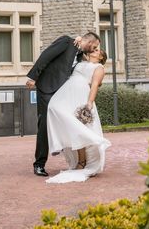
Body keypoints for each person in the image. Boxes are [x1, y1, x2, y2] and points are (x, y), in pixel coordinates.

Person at [26, 32, 100, 177]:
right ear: (90, 41)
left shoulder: (80, 56)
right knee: (44, 124)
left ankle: (64, 150)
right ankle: (39, 164)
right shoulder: (66, 42)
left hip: (63, 93)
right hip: (47, 88)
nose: (94, 49)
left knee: (69, 121)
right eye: (95, 46)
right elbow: (45, 56)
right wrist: (33, 77)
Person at [44, 47, 111, 183]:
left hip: (81, 95)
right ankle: (61, 143)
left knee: (79, 128)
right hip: (67, 92)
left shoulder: (99, 68)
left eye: (98, 51)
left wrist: (90, 103)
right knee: (53, 107)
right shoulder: (80, 62)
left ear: (101, 58)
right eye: (94, 49)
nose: (94, 51)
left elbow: (94, 86)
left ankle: (82, 161)